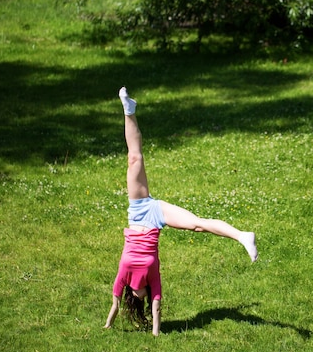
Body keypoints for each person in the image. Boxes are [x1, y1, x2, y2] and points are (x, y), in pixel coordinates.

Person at [104, 87, 258, 336]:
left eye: (136, 294)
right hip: (155, 220)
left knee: (134, 158)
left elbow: (114, 303)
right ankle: (242, 236)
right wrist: (155, 333)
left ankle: (128, 109)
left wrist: (108, 323)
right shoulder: (152, 281)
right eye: (141, 295)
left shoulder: (124, 278)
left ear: (133, 295)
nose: (139, 292)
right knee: (197, 225)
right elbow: (157, 306)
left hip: (139, 210)